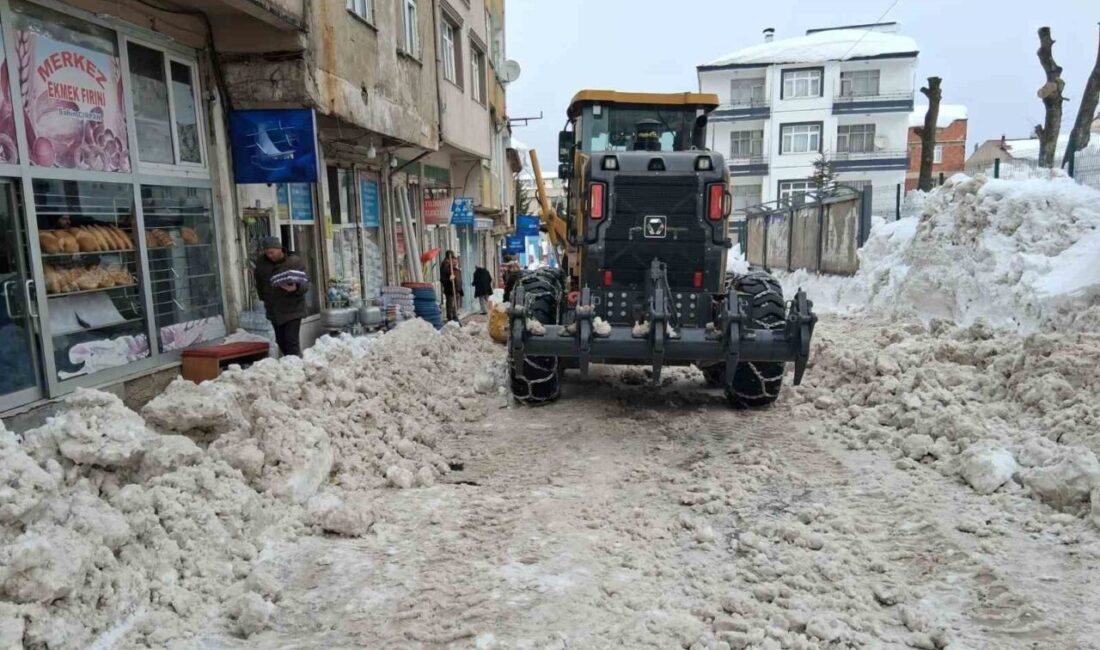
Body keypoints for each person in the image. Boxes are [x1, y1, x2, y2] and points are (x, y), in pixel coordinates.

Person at [253, 236, 310, 357]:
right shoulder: (261, 263)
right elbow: (259, 282)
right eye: (267, 252)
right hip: (274, 310)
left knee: (291, 342)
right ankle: (292, 364)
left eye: (272, 252)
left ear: (279, 249)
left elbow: (305, 282)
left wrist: (296, 288)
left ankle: (296, 367)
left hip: (293, 309)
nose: (269, 255)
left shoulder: (294, 261)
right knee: (281, 341)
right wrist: (263, 297)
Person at [440, 250, 462, 322]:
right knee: (450, 305)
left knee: (454, 305)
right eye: (453, 260)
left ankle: (454, 317)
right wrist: (449, 279)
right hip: (450, 289)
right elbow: (443, 279)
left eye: (456, 261)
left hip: (455, 289)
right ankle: (451, 319)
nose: (455, 262)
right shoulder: (446, 266)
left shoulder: (454, 268)